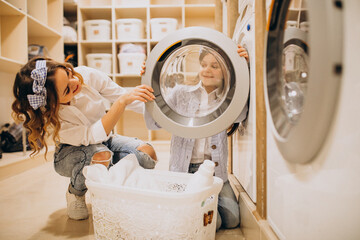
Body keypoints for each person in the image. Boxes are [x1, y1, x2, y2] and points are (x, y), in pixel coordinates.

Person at [11, 57, 157, 220]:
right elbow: (92, 136)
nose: (75, 82)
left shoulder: (87, 75)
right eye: (67, 89)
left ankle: (118, 189)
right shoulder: (54, 119)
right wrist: (121, 103)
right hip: (70, 154)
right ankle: (76, 192)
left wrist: (160, 114)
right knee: (100, 155)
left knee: (146, 153)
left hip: (105, 142)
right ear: (53, 104)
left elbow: (121, 95)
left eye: (69, 73)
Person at [142, 44, 249, 230]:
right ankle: (192, 206)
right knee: (215, 223)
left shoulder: (228, 98)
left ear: (226, 72)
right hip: (185, 171)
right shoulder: (180, 93)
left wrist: (244, 70)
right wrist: (148, 79)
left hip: (216, 172)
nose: (207, 70)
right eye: (204, 64)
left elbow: (240, 115)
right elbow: (153, 124)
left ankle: (195, 206)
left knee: (232, 220)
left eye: (215, 66)